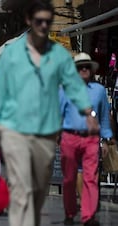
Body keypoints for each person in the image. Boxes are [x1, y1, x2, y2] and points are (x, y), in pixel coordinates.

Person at [0, 2, 99, 226]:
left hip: (45, 131)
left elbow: (74, 86)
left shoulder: (58, 55)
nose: (43, 26)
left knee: (39, 186)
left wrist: (88, 111)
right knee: (21, 185)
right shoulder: (12, 54)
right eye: (38, 21)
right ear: (29, 21)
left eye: (47, 22)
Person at [59, 52, 112, 226]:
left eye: (87, 66)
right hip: (69, 137)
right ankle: (70, 211)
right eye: (80, 66)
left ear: (91, 69)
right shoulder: (64, 89)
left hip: (91, 139)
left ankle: (88, 215)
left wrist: (106, 139)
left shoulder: (99, 91)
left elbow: (104, 117)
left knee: (90, 177)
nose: (84, 69)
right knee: (69, 178)